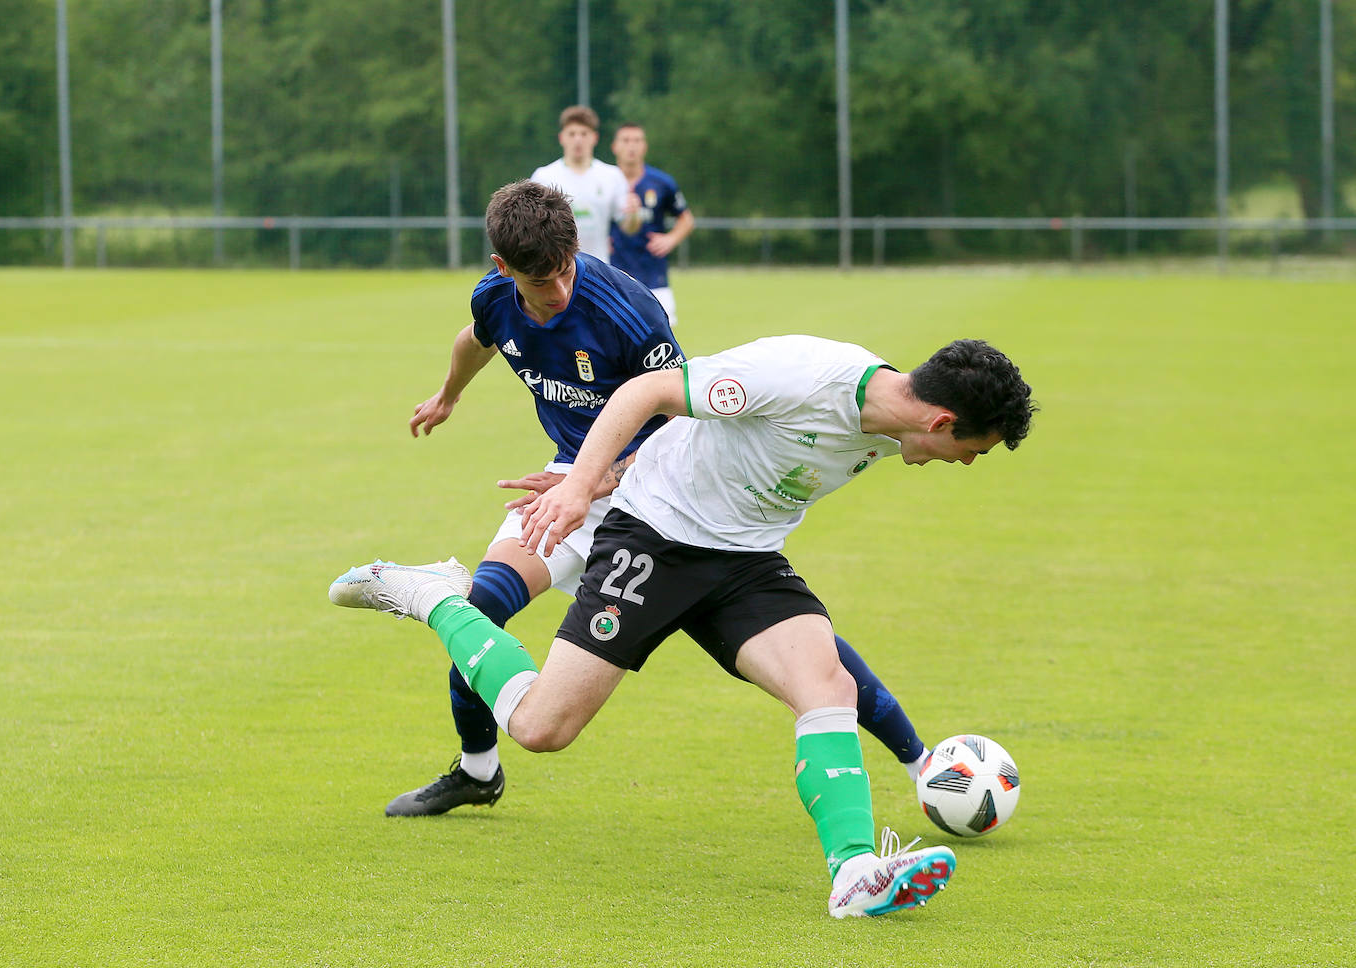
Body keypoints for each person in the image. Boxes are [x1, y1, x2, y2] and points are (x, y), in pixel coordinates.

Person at [331, 334, 1037, 917]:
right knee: (542, 728)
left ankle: (853, 871)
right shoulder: (801, 377)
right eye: (972, 450)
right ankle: (432, 595)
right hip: (655, 539)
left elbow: (698, 438)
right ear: (941, 423)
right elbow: (649, 393)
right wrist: (580, 484)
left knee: (827, 687)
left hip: (747, 560)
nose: (965, 464)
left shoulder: (893, 424)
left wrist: (609, 473)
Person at [349, 180, 938, 820]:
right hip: (571, 483)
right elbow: (476, 339)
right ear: (503, 269)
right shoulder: (494, 298)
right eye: (541, 281)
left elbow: (679, 420)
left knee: (786, 638)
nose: (559, 290)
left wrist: (597, 480)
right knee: (482, 606)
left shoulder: (628, 313)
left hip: (657, 491)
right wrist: (449, 395)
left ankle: (920, 763)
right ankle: (477, 771)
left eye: (567, 270)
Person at [609, 123, 695, 327]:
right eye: (626, 140)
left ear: (645, 146)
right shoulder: (604, 181)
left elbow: (686, 219)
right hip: (612, 272)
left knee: (662, 332)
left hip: (653, 274)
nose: (631, 146)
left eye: (637, 140)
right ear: (615, 146)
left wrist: (670, 239)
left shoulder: (661, 182)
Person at [531, 105, 640, 264]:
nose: (578, 139)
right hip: (556, 267)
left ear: (594, 137)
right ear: (561, 138)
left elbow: (629, 227)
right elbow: (533, 227)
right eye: (572, 134)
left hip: (598, 266)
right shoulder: (544, 176)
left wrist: (634, 214)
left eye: (584, 134)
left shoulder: (612, 175)